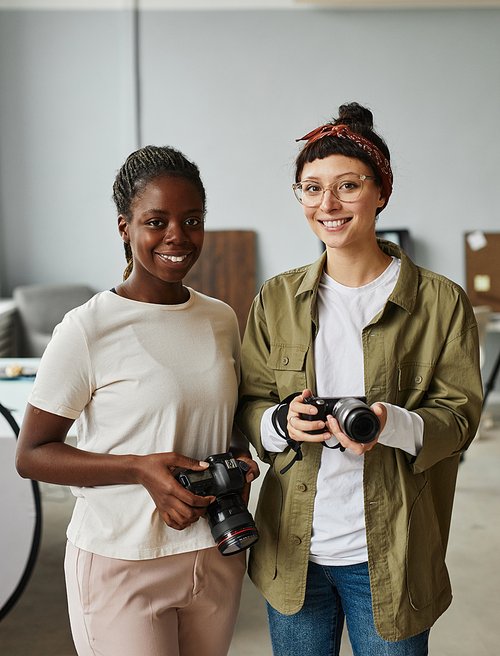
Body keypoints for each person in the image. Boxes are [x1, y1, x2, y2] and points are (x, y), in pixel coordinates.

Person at [236, 103, 482, 656]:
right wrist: (280, 420)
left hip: (390, 552)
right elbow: (249, 402)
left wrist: (389, 425)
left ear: (381, 192)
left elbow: (460, 419)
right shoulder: (275, 300)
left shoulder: (440, 302)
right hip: (294, 553)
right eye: (311, 187)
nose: (328, 204)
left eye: (348, 185)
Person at [16, 145, 259, 656]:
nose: (177, 236)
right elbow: (32, 454)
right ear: (125, 226)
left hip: (215, 551)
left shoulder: (220, 319)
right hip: (121, 559)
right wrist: (139, 469)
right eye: (156, 221)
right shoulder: (88, 329)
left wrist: (238, 455)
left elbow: (222, 422)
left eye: (192, 220)